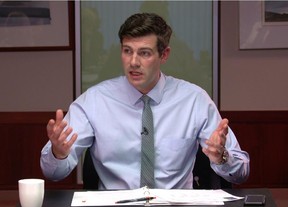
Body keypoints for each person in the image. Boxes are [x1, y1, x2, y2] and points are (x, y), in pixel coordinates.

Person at [40, 12, 250, 190]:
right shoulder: (94, 101)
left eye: (144, 53)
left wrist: (222, 158)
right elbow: (53, 174)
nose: (133, 62)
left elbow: (241, 172)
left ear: (164, 55)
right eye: (127, 51)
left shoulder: (194, 100)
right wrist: (58, 154)